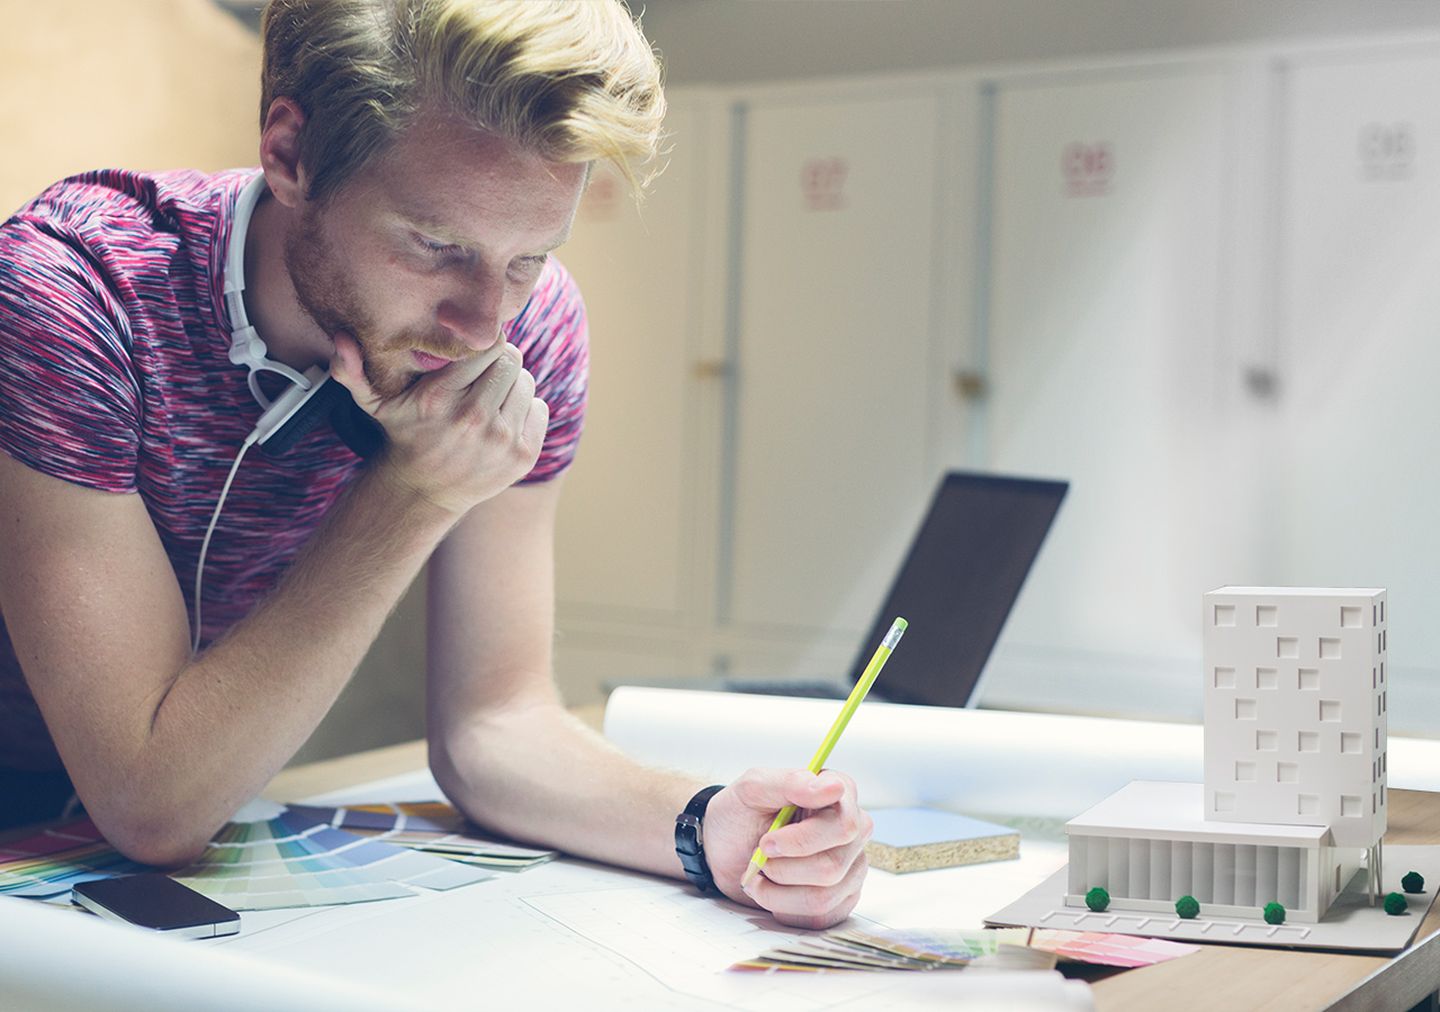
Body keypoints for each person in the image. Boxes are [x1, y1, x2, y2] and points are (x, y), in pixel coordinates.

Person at [0, 0, 871, 929]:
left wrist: (706, 826)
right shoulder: (72, 291)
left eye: (529, 257)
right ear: (291, 153)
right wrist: (411, 492)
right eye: (436, 245)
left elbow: (495, 723)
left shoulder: (528, 331)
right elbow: (149, 800)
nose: (485, 324)